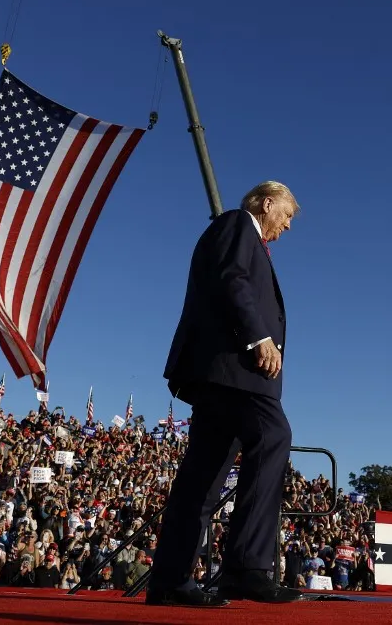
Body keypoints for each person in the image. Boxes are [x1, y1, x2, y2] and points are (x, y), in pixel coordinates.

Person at [146, 181, 302, 608]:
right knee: (273, 436)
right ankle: (246, 569)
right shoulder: (236, 224)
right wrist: (258, 338)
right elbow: (231, 278)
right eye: (286, 215)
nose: (287, 226)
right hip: (235, 370)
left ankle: (169, 582)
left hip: (221, 376)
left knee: (202, 479)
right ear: (266, 203)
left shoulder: (247, 236)